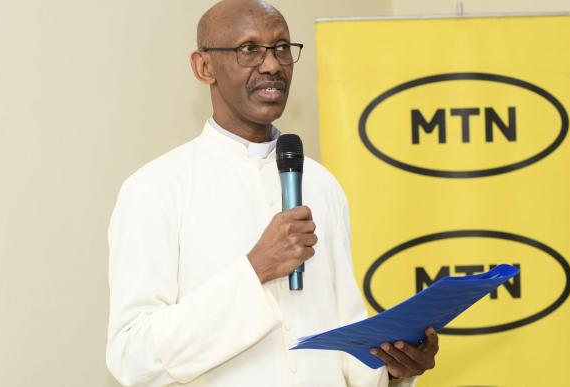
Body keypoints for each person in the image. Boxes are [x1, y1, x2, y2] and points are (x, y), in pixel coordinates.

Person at [106, 1, 438, 386]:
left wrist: (394, 368)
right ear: (204, 67)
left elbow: (344, 337)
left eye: (282, 48)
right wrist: (255, 270)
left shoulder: (321, 183)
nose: (272, 65)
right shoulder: (155, 189)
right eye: (249, 50)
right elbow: (133, 357)